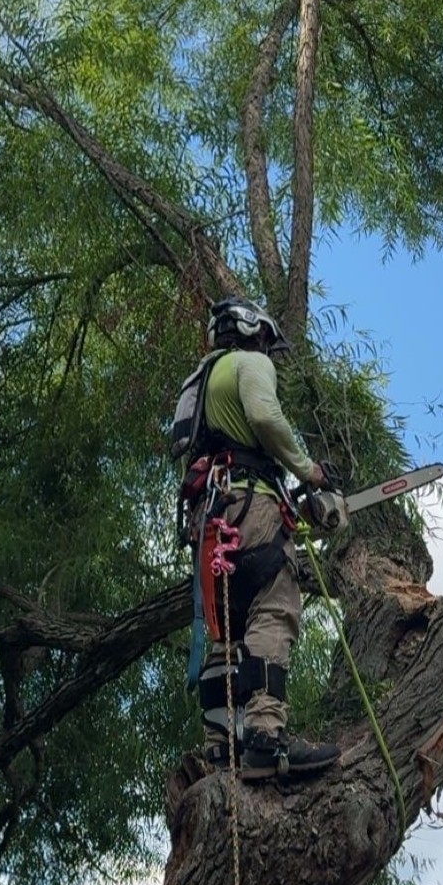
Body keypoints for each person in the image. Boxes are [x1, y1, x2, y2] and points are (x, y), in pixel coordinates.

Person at [195, 297, 341, 778]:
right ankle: (264, 735)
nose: (265, 348)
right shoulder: (250, 363)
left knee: (227, 629)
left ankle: (220, 747)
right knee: (274, 606)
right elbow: (264, 418)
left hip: (210, 518)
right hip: (249, 504)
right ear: (251, 330)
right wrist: (309, 471)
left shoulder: (203, 381)